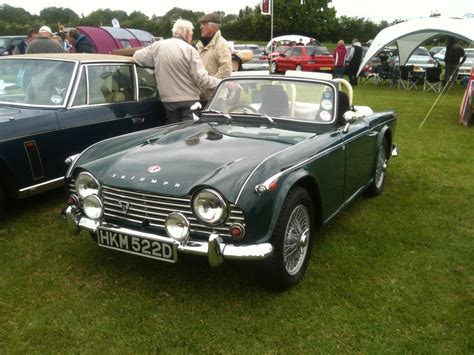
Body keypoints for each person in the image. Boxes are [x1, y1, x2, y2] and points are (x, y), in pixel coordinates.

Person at [133, 19, 221, 124]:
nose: (191, 37)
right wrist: (221, 82)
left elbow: (137, 57)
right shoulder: (190, 50)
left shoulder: (157, 46)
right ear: (187, 33)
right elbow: (202, 79)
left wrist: (157, 62)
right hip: (189, 101)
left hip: (168, 101)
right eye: (191, 34)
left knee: (174, 133)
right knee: (190, 135)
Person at [196, 13, 232, 106]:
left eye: (204, 24)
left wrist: (209, 85)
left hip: (214, 98)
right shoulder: (200, 44)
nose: (201, 27)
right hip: (201, 97)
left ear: (212, 27)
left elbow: (226, 70)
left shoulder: (221, 44)